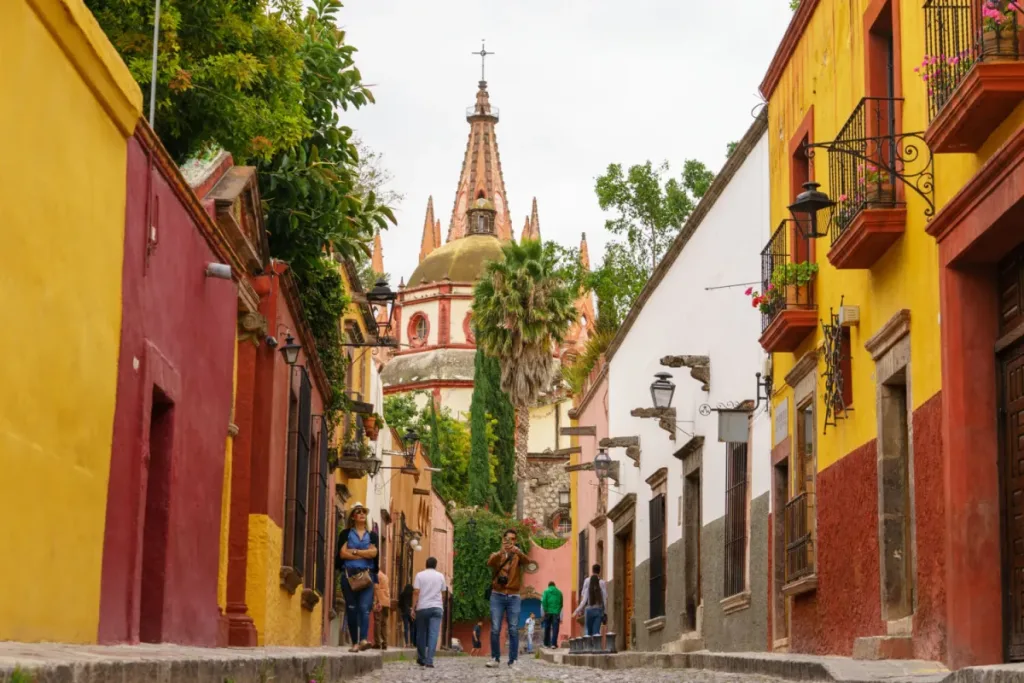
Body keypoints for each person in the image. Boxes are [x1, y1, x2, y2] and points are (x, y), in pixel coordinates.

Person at [337, 502, 379, 652]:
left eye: (364, 512)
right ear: (353, 516)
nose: (362, 514)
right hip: (349, 576)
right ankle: (354, 642)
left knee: (364, 608)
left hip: (367, 576)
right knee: (352, 608)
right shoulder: (345, 534)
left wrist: (354, 552)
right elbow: (342, 554)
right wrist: (364, 552)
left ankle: (363, 640)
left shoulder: (372, 535)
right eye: (358, 512)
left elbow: (373, 553)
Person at [486, 528, 529, 668]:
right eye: (508, 539)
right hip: (497, 595)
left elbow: (527, 561)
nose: (511, 541)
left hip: (514, 596)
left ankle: (513, 660)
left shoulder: (518, 555)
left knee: (513, 628)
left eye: (513, 539)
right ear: (503, 540)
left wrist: (518, 551)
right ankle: (495, 659)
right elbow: (490, 562)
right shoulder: (497, 555)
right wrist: (500, 553)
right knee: (495, 628)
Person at [411, 556, 447, 668]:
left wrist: (413, 607)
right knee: (433, 634)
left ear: (426, 564)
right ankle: (429, 660)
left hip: (422, 608)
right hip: (437, 608)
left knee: (421, 634)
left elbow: (416, 592)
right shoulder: (441, 576)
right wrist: (440, 603)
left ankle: (421, 658)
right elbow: (444, 593)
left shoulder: (419, 575)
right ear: (435, 565)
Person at [573, 564, 607, 637]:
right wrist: (604, 612)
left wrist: (576, 611)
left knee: (588, 631)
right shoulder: (602, 583)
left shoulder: (587, 583)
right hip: (598, 609)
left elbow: (583, 600)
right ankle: (596, 646)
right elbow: (604, 599)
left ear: (592, 571)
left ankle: (588, 646)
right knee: (596, 632)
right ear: (599, 571)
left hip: (589, 610)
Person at [541, 581, 563, 648]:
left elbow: (543, 601)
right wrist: (558, 611)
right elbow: (561, 604)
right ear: (554, 585)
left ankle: (546, 644)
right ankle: (554, 644)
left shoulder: (546, 591)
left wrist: (545, 610)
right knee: (555, 628)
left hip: (548, 612)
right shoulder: (559, 592)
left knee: (547, 628)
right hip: (556, 613)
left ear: (549, 585)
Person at [374, 568, 390, 650]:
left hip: (380, 601)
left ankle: (377, 643)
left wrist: (377, 601)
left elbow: (376, 588)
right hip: (387, 601)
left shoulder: (376, 575)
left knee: (377, 622)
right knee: (384, 623)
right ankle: (385, 642)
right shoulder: (385, 576)